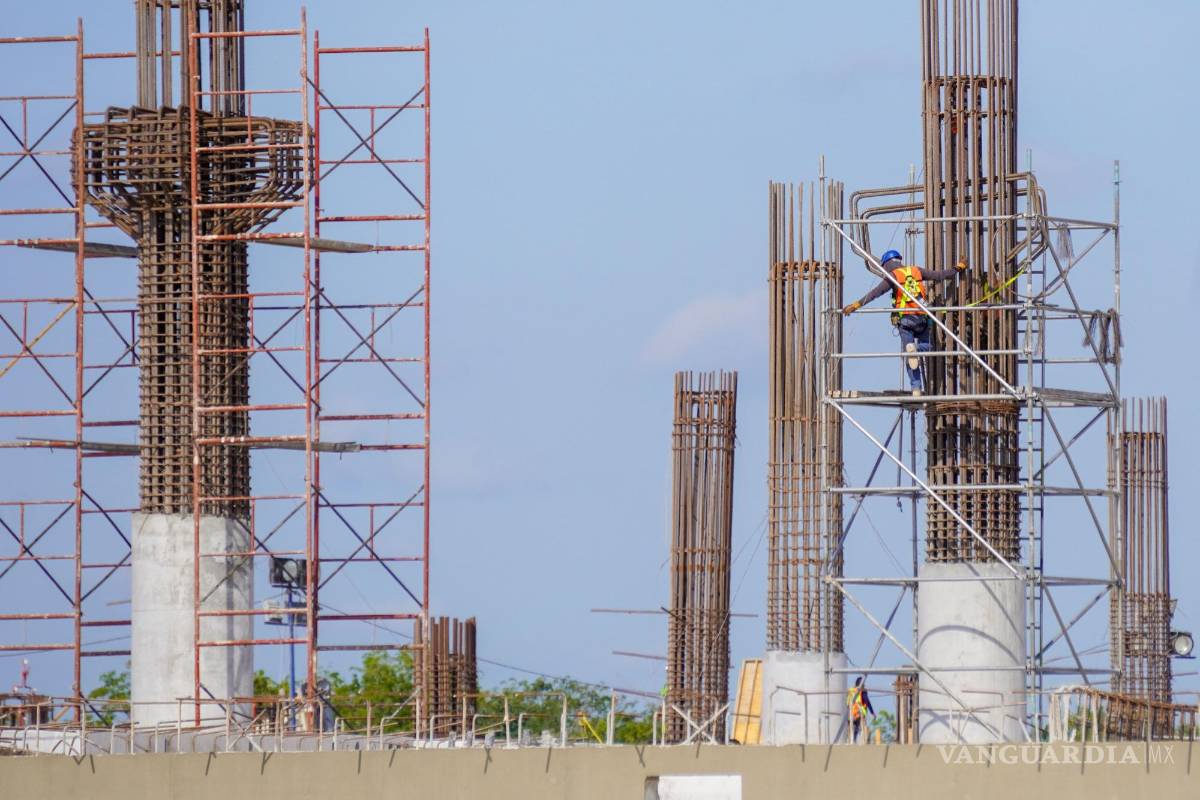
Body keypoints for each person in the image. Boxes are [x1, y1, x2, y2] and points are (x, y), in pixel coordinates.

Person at [842, 249, 968, 396]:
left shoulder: (893, 276)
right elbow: (940, 275)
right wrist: (958, 267)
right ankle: (916, 350)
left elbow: (874, 293)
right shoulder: (916, 270)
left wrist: (856, 305)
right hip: (922, 318)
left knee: (910, 354)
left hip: (905, 321)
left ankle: (916, 388)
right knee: (927, 347)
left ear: (886, 264)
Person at [847, 676, 875, 744]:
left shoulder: (851, 691)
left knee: (852, 729)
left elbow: (847, 702)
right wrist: (872, 712)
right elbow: (867, 701)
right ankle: (856, 741)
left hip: (850, 713)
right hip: (859, 713)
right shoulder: (862, 692)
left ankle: (851, 740)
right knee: (859, 728)